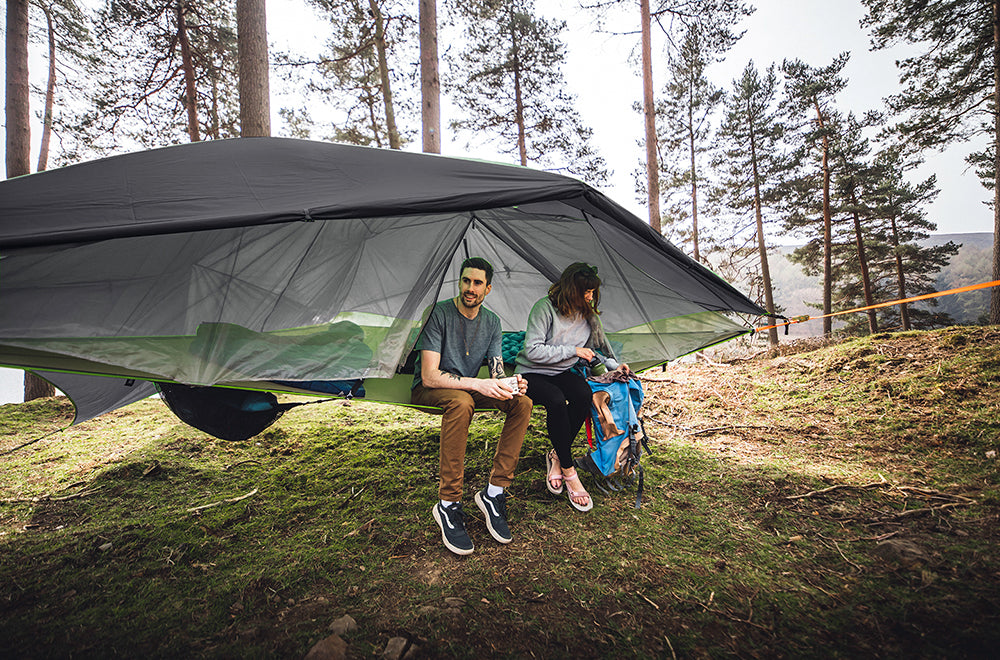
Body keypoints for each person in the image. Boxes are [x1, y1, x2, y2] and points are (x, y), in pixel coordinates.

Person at [411, 257, 532, 556]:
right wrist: (478, 384)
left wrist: (511, 384)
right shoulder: (438, 313)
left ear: (488, 289)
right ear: (460, 282)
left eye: (478, 283)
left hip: (467, 388)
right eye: (466, 280)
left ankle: (494, 492)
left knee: (522, 402)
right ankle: (448, 503)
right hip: (430, 390)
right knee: (462, 402)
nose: (470, 288)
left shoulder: (492, 322)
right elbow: (429, 376)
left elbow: (496, 373)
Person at [514, 262, 621, 512]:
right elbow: (532, 350)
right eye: (586, 292)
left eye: (592, 292)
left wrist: (616, 366)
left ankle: (556, 456)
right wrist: (572, 350)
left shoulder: (588, 317)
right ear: (571, 290)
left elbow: (598, 350)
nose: (590, 297)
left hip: (561, 372)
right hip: (531, 372)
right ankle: (569, 469)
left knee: (583, 395)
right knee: (555, 400)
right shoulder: (544, 308)